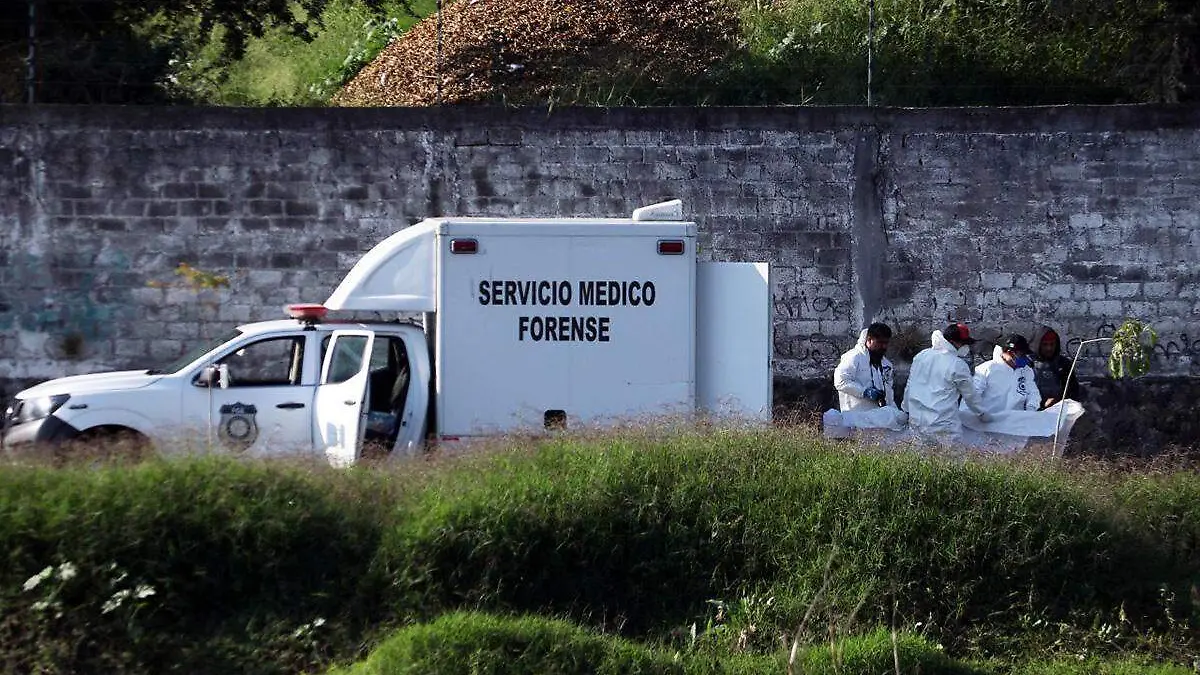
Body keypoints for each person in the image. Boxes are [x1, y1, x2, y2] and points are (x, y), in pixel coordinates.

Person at [902, 323, 991, 444]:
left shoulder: (921, 356)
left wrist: (905, 409)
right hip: (943, 425)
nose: (965, 347)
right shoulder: (957, 364)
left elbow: (910, 385)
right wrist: (983, 414)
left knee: (918, 455)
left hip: (917, 421)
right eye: (963, 343)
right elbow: (970, 396)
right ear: (953, 342)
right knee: (949, 456)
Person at [970, 334, 1041, 415]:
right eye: (1022, 355)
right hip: (991, 419)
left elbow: (1033, 393)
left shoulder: (1026, 371)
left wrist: (1031, 410)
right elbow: (973, 395)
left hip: (1017, 419)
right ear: (1010, 353)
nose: (1025, 358)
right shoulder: (986, 369)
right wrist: (981, 414)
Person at [833, 323, 896, 411]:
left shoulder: (886, 365)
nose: (884, 346)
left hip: (880, 416)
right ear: (869, 340)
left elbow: (889, 394)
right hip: (856, 416)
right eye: (880, 342)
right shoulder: (853, 357)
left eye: (886, 343)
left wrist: (894, 411)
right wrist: (864, 392)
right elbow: (840, 381)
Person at [1031, 326, 1080, 409]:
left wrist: (1058, 401)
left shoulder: (1063, 364)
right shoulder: (1027, 363)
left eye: (1052, 344)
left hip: (1058, 410)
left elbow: (1073, 391)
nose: (1049, 348)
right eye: (1045, 344)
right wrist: (1042, 404)